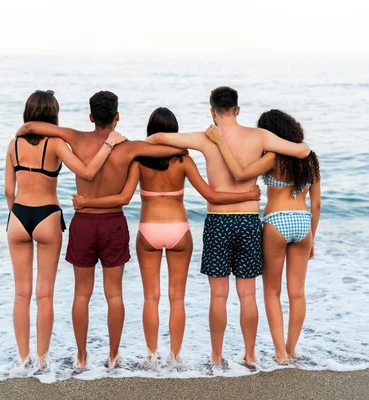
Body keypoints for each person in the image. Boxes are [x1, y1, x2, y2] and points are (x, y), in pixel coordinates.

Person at [71, 107, 261, 368]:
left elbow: (123, 197)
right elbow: (212, 196)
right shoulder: (183, 160)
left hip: (149, 230)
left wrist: (88, 202)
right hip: (178, 230)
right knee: (176, 298)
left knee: (152, 297)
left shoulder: (139, 161)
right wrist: (247, 196)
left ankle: (151, 355)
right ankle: (174, 357)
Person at [15, 91, 186, 370]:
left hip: (83, 224)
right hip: (113, 223)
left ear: (91, 117)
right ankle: (113, 357)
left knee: (81, 295)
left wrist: (24, 128)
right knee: (114, 294)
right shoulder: (130, 148)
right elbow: (170, 149)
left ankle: (82, 358)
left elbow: (32, 127)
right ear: (117, 117)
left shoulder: (74, 137)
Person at [146, 87, 310, 368]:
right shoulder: (259, 137)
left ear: (212, 111)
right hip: (248, 221)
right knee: (248, 295)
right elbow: (303, 149)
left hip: (218, 221)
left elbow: (157, 138)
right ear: (238, 109)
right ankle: (250, 354)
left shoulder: (205, 138)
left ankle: (216, 356)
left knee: (218, 295)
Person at [4, 90, 126, 375]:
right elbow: (87, 173)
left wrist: (14, 214)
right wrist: (109, 144)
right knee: (44, 294)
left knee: (21, 294)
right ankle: (43, 361)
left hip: (18, 216)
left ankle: (23, 360)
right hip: (47, 215)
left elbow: (9, 190)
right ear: (53, 116)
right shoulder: (56, 144)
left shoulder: (14, 145)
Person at [205, 109, 321, 363]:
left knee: (271, 292)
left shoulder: (272, 158)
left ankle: (280, 354)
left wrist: (221, 143)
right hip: (303, 223)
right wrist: (312, 236)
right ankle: (291, 349)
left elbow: (239, 172)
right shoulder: (310, 159)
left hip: (276, 221)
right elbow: (317, 204)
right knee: (298, 293)